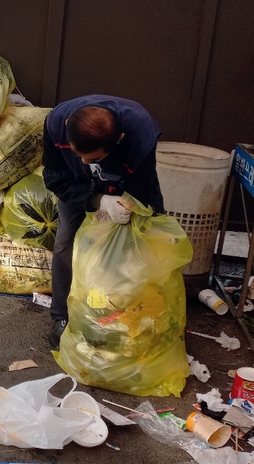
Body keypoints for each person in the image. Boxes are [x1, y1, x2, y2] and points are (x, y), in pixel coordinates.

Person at [42, 95, 165, 349]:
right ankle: (62, 316)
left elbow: (142, 188)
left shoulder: (140, 135)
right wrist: (98, 201)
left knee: (137, 247)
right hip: (74, 185)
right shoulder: (56, 124)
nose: (85, 162)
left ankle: (127, 315)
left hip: (124, 185)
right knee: (65, 243)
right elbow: (56, 179)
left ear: (118, 142)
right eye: (79, 155)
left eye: (93, 158)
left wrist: (128, 206)